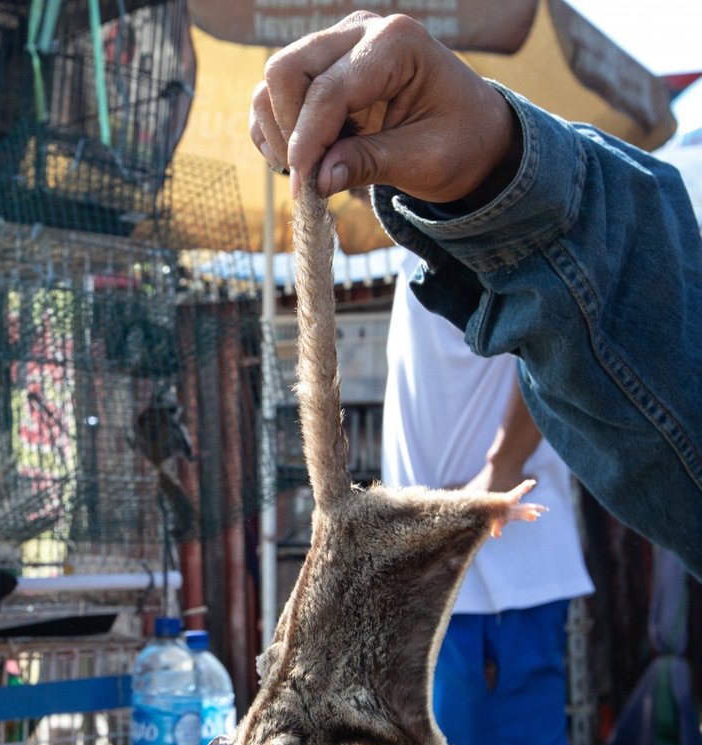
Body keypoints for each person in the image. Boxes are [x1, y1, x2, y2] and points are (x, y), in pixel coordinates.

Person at [247, 11, 702, 579]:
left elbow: (555, 339)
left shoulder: (467, 251)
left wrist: (500, 467)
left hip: (512, 540)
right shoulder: (420, 248)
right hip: (441, 549)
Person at [360, 248, 605, 745]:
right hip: (414, 573)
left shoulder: (488, 181)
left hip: (492, 578)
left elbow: (559, 331)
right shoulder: (408, 205)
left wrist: (499, 471)